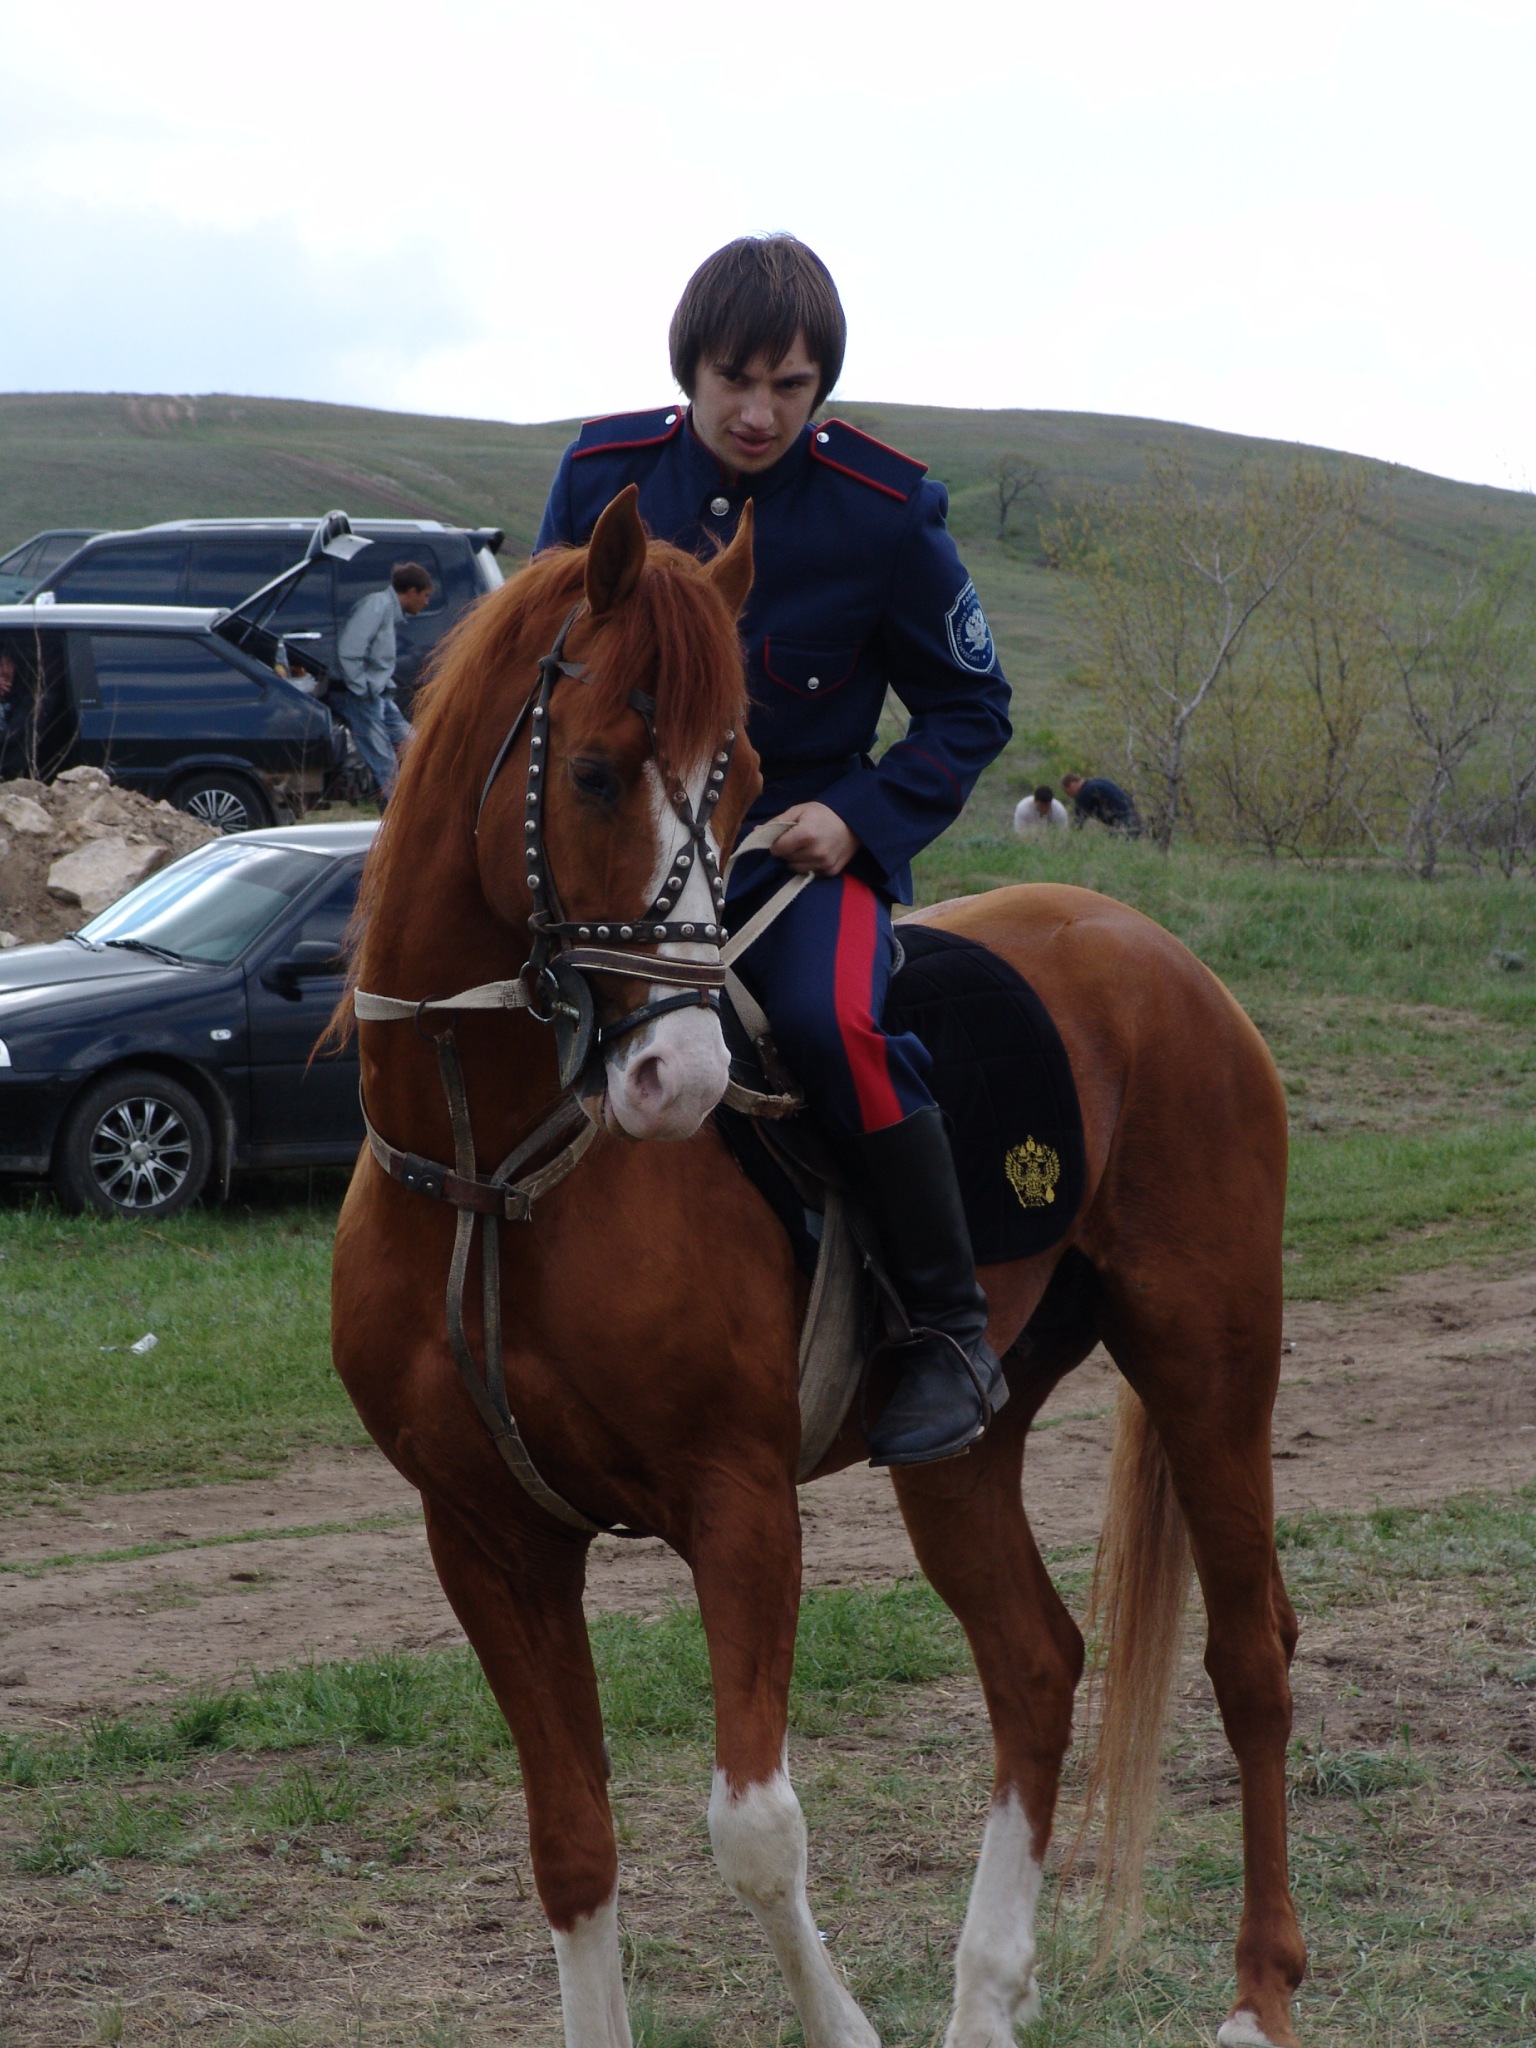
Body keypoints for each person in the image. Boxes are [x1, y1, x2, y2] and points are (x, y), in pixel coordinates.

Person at [537, 234, 1014, 1467]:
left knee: (830, 1022)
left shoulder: (882, 513)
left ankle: (948, 1327)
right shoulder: (602, 481)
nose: (758, 412)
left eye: (790, 386)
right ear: (689, 370)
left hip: (792, 855)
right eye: (734, 380)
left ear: (821, 388)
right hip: (624, 841)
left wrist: (861, 815)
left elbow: (971, 706)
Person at [333, 562, 433, 801]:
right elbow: (349, 650)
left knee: (415, 744)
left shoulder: (387, 610)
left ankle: (422, 800)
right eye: (425, 595)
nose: (426, 602)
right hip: (362, 696)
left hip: (378, 693)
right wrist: (361, 688)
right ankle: (398, 811)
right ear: (411, 592)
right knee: (384, 759)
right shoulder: (376, 606)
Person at [1061, 770, 1142, 836]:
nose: (1070, 796)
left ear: (1072, 785)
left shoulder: (1084, 793)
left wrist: (1068, 837)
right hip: (1135, 818)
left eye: (1068, 792)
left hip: (1124, 823)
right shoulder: (1098, 781)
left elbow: (1078, 822)